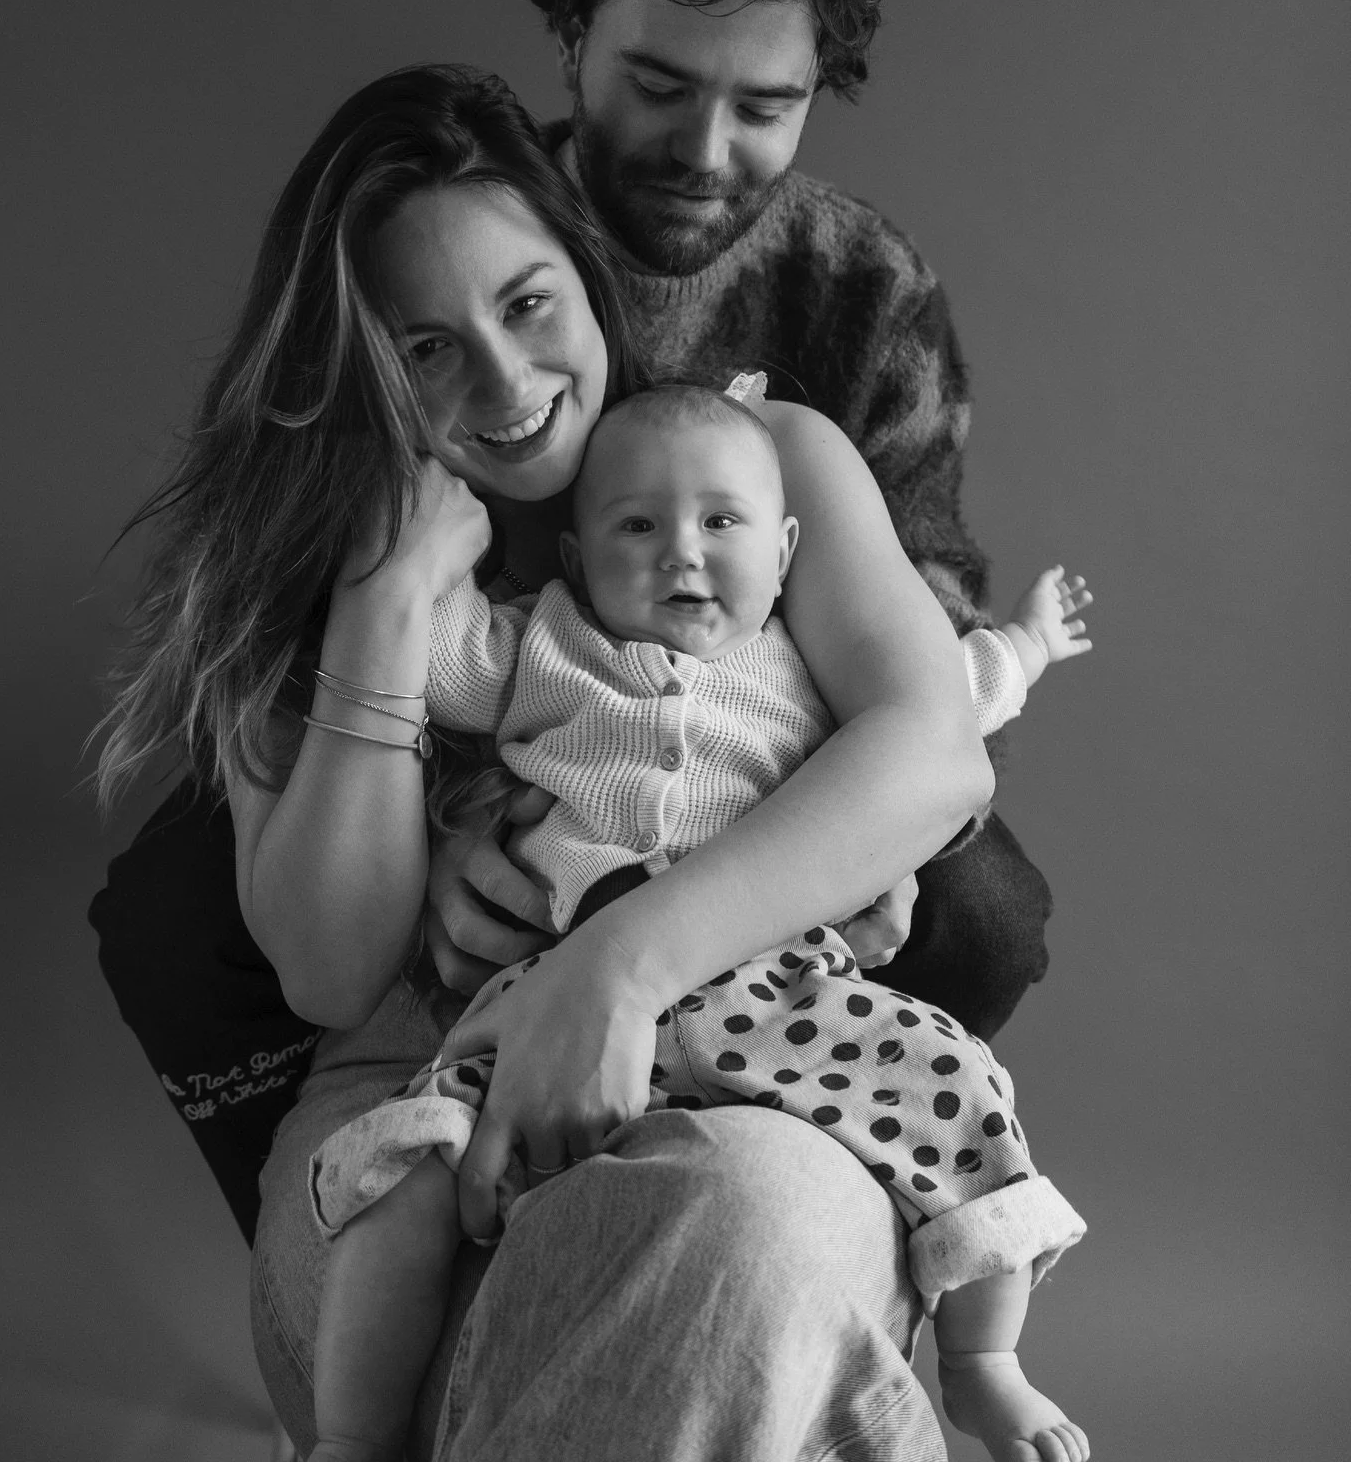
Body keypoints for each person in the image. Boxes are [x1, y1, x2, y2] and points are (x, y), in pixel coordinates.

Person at [89, 0, 1052, 1243]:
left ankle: (853, 1201)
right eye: (658, 82)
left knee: (975, 902)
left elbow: (914, 668)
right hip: (475, 745)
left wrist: (645, 912)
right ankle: (337, 1258)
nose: (704, 147)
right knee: (172, 914)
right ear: (576, 55)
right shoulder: (475, 221)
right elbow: (333, 930)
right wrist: (460, 812)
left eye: (763, 105)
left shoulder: (850, 302)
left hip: (740, 752)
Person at [96, 64, 996, 1459]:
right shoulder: (298, 583)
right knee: (634, 1338)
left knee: (751, 1245)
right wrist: (388, 601)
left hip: (756, 1061)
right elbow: (334, 972)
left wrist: (614, 965)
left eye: (526, 306)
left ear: (588, 277)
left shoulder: (760, 465)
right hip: (415, 1117)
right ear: (357, 368)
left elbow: (936, 757)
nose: (508, 385)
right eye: (427, 348)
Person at [303, 382, 1092, 1462]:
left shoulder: (809, 665)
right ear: (577, 563)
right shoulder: (542, 647)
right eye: (638, 527)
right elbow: (430, 652)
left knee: (959, 1089)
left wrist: (1033, 643)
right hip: (551, 1001)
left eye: (722, 523)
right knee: (407, 1172)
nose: (683, 553)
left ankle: (983, 1363)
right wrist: (407, 543)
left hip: (781, 995)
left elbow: (961, 694)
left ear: (785, 553)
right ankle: (349, 1434)